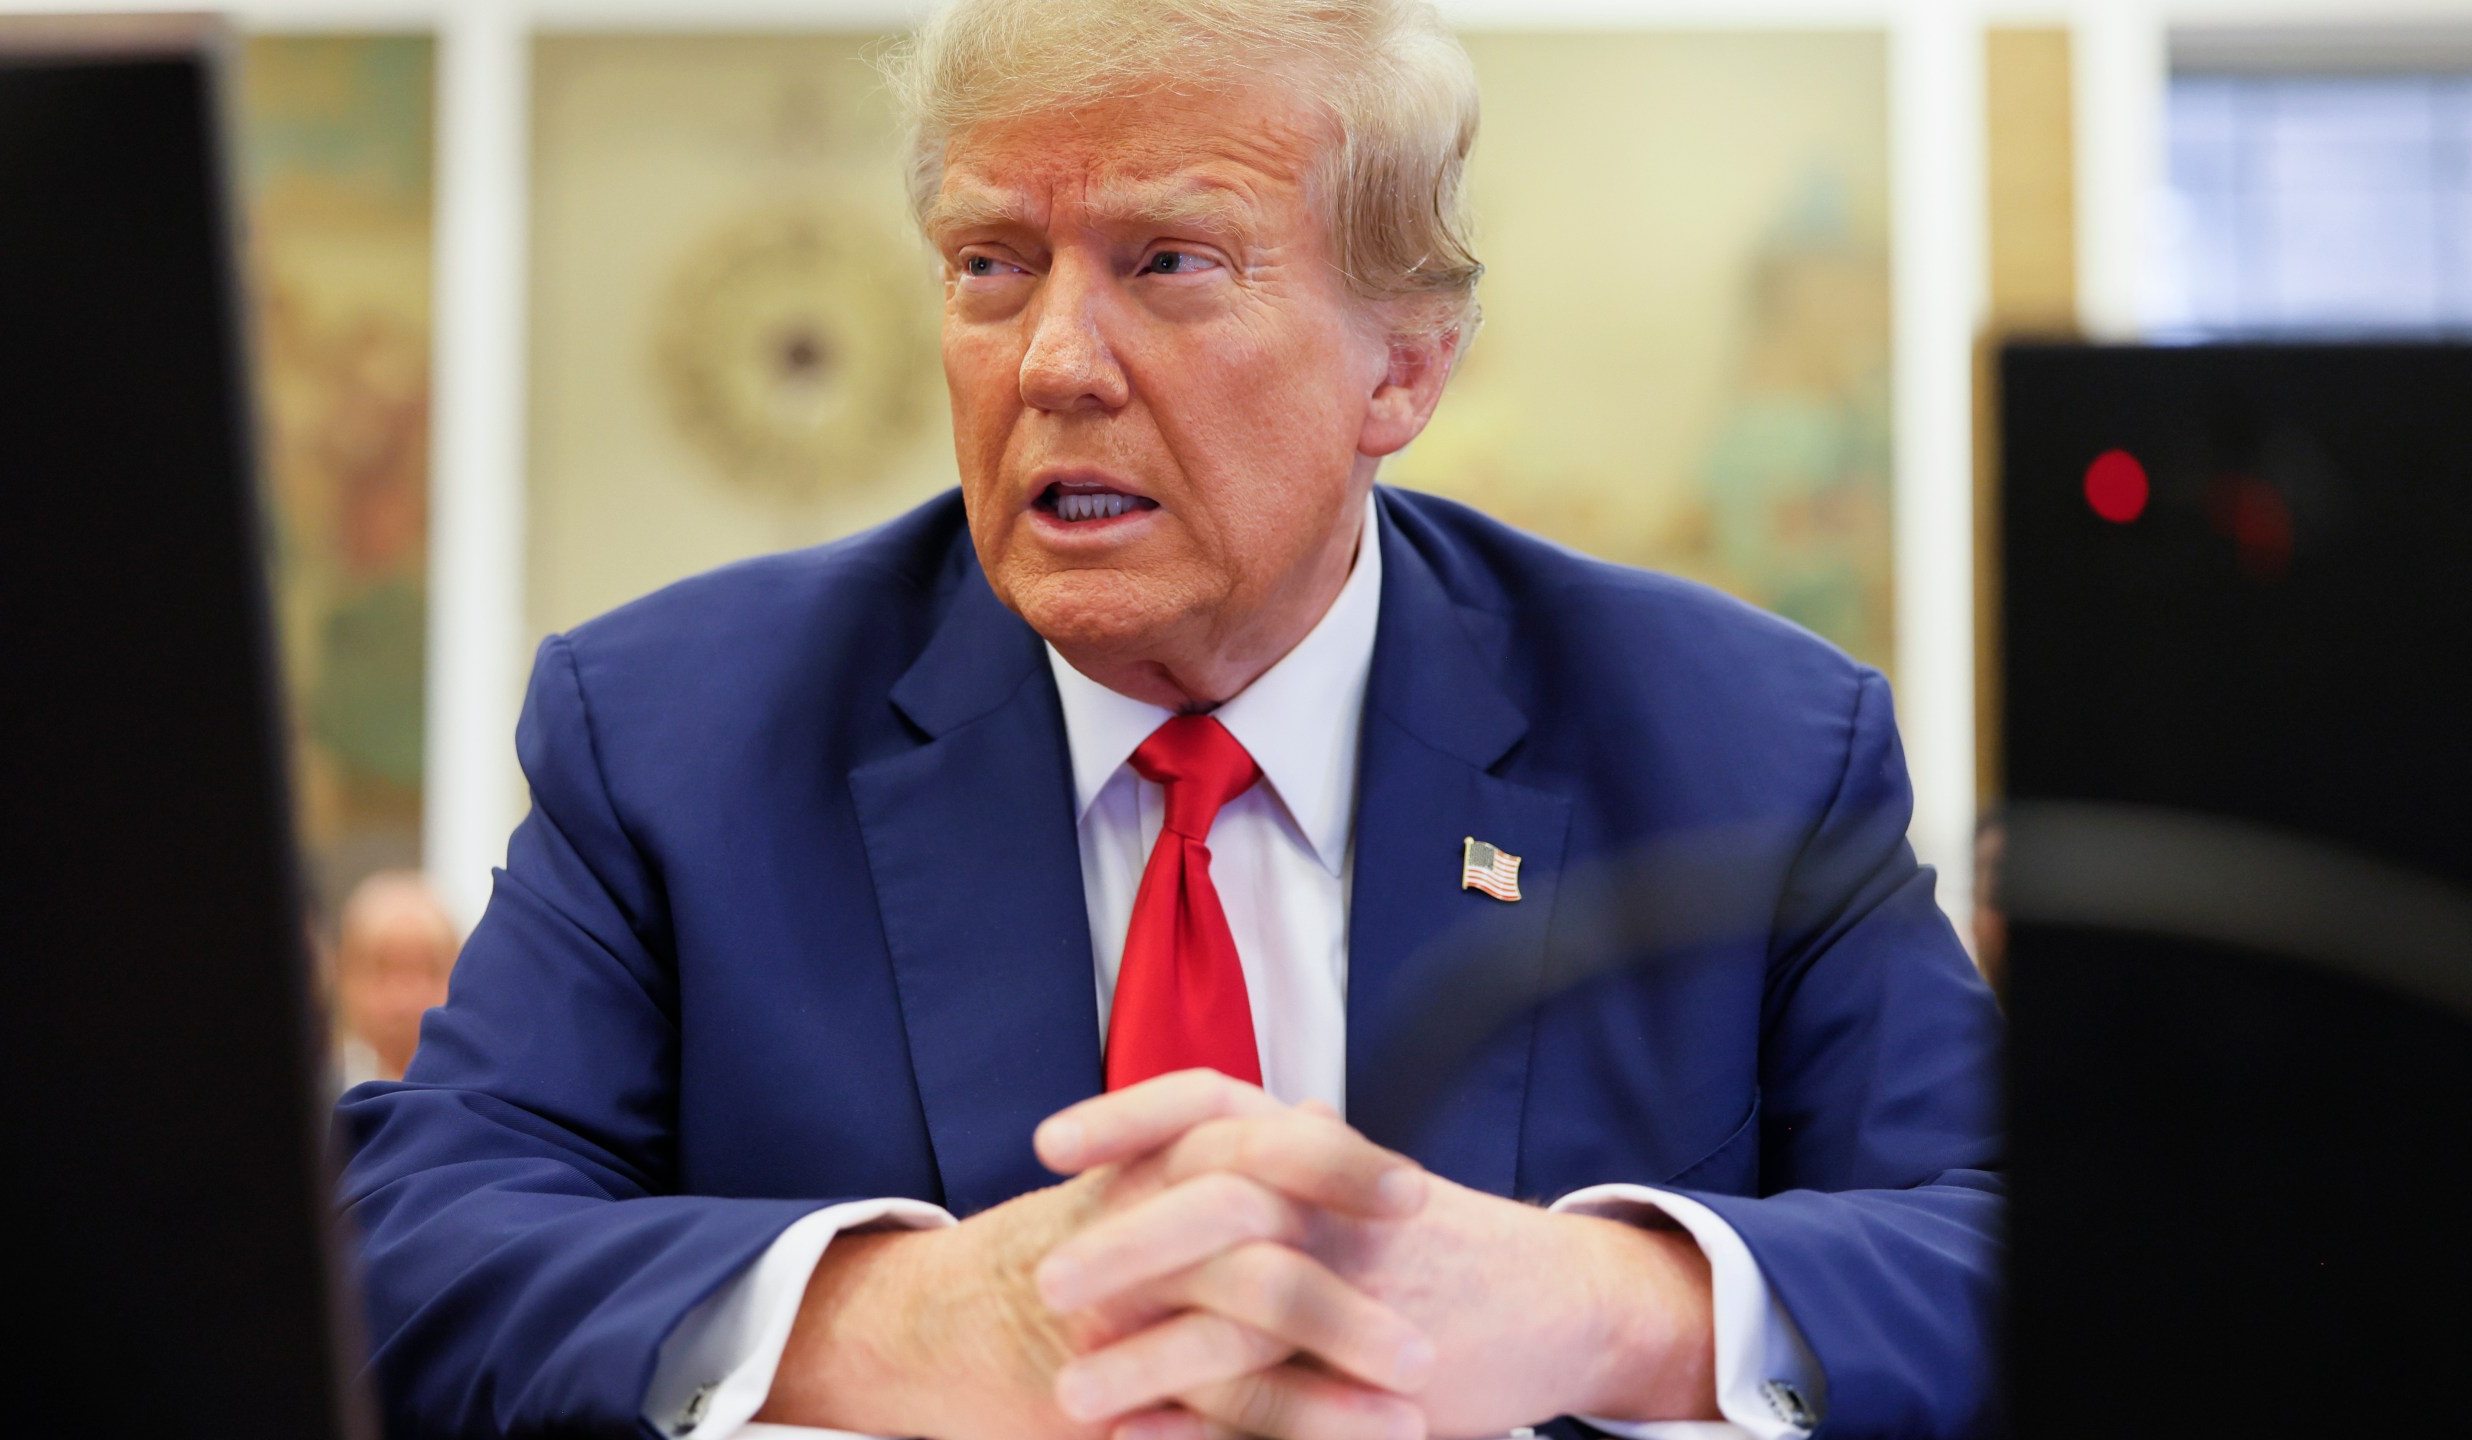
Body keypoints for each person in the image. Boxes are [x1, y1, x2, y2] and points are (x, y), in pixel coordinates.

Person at [336, 2, 2002, 1436]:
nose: (1055, 359)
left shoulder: (1746, 752)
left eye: (1170, 263)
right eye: (991, 265)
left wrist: (1598, 1301)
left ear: (1403, 369)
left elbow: (2032, 1250)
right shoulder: (680, 738)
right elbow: (398, 1246)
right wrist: (902, 1320)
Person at [332, 869, 460, 1088]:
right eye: (383, 970)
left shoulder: (488, 1105)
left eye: (429, 970)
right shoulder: (316, 1097)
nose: (406, 1001)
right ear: (346, 978)